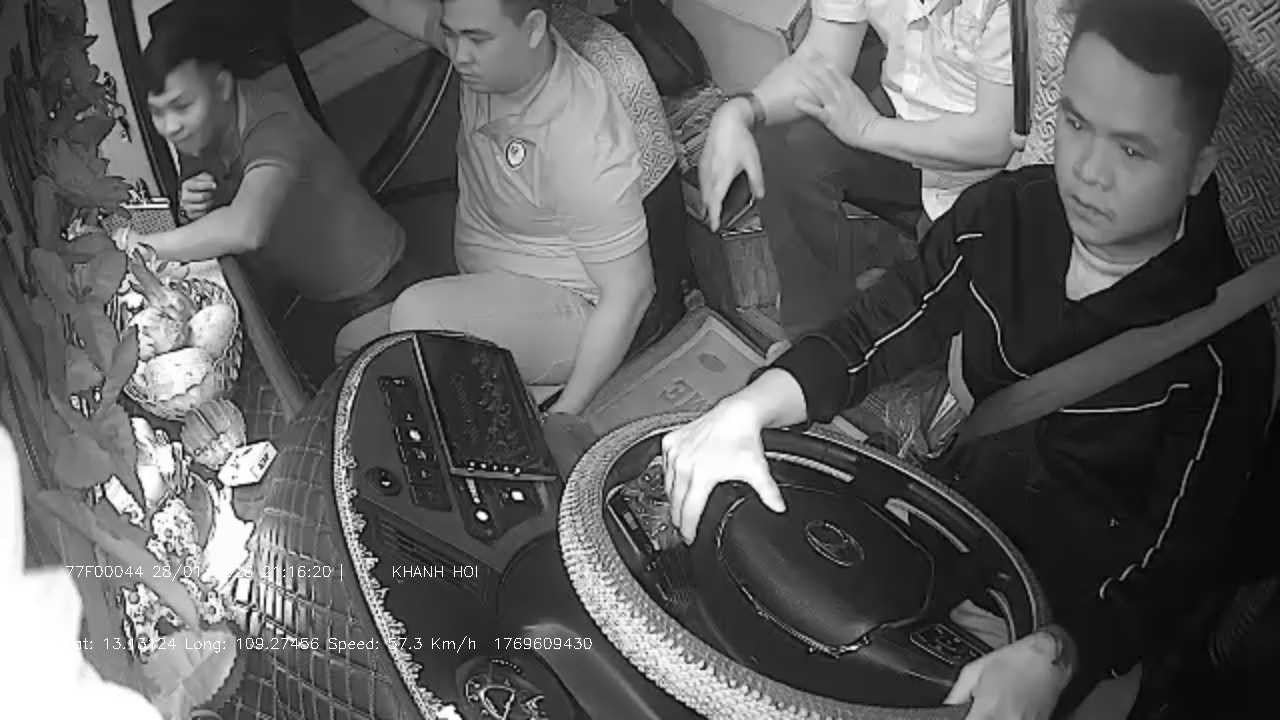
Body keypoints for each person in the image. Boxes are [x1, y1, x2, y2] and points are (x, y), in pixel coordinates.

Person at [661, 1, 1276, 718]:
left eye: (1133, 151)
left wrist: (1059, 653)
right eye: (1077, 124)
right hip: (957, 532)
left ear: (1199, 169)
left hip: (1082, 626)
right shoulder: (1005, 215)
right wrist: (746, 409)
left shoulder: (1225, 352)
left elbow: (1174, 565)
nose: (1089, 172)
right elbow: (874, 331)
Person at [346, 0, 656, 415]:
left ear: (533, 29)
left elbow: (631, 293)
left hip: (571, 309)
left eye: (476, 39)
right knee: (351, 352)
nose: (459, 55)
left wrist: (567, 413)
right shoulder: (488, 56)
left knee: (417, 316)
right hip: (489, 284)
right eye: (451, 34)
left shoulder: (583, 145)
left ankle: (527, 401)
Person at [119, 11, 428, 387]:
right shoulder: (198, 133)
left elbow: (246, 229)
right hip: (309, 292)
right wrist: (191, 203)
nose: (170, 126)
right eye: (157, 113)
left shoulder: (274, 124)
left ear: (222, 87)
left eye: (182, 106)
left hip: (377, 288)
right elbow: (206, 211)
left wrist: (141, 246)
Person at [699, 0, 1019, 337]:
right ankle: (816, 334)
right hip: (901, 116)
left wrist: (868, 129)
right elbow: (821, 57)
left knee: (947, 329)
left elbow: (995, 141)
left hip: (992, 169)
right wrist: (740, 112)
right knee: (784, 140)